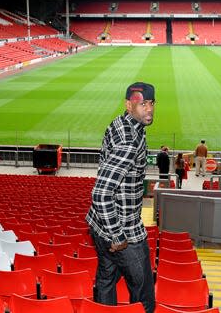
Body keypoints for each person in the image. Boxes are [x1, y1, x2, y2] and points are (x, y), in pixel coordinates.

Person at [86, 81, 156, 313]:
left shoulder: (122, 123)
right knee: (143, 296)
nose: (149, 109)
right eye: (142, 104)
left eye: (151, 103)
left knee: (106, 280)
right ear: (129, 105)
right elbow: (101, 193)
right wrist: (117, 235)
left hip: (98, 226)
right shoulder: (129, 142)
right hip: (124, 231)